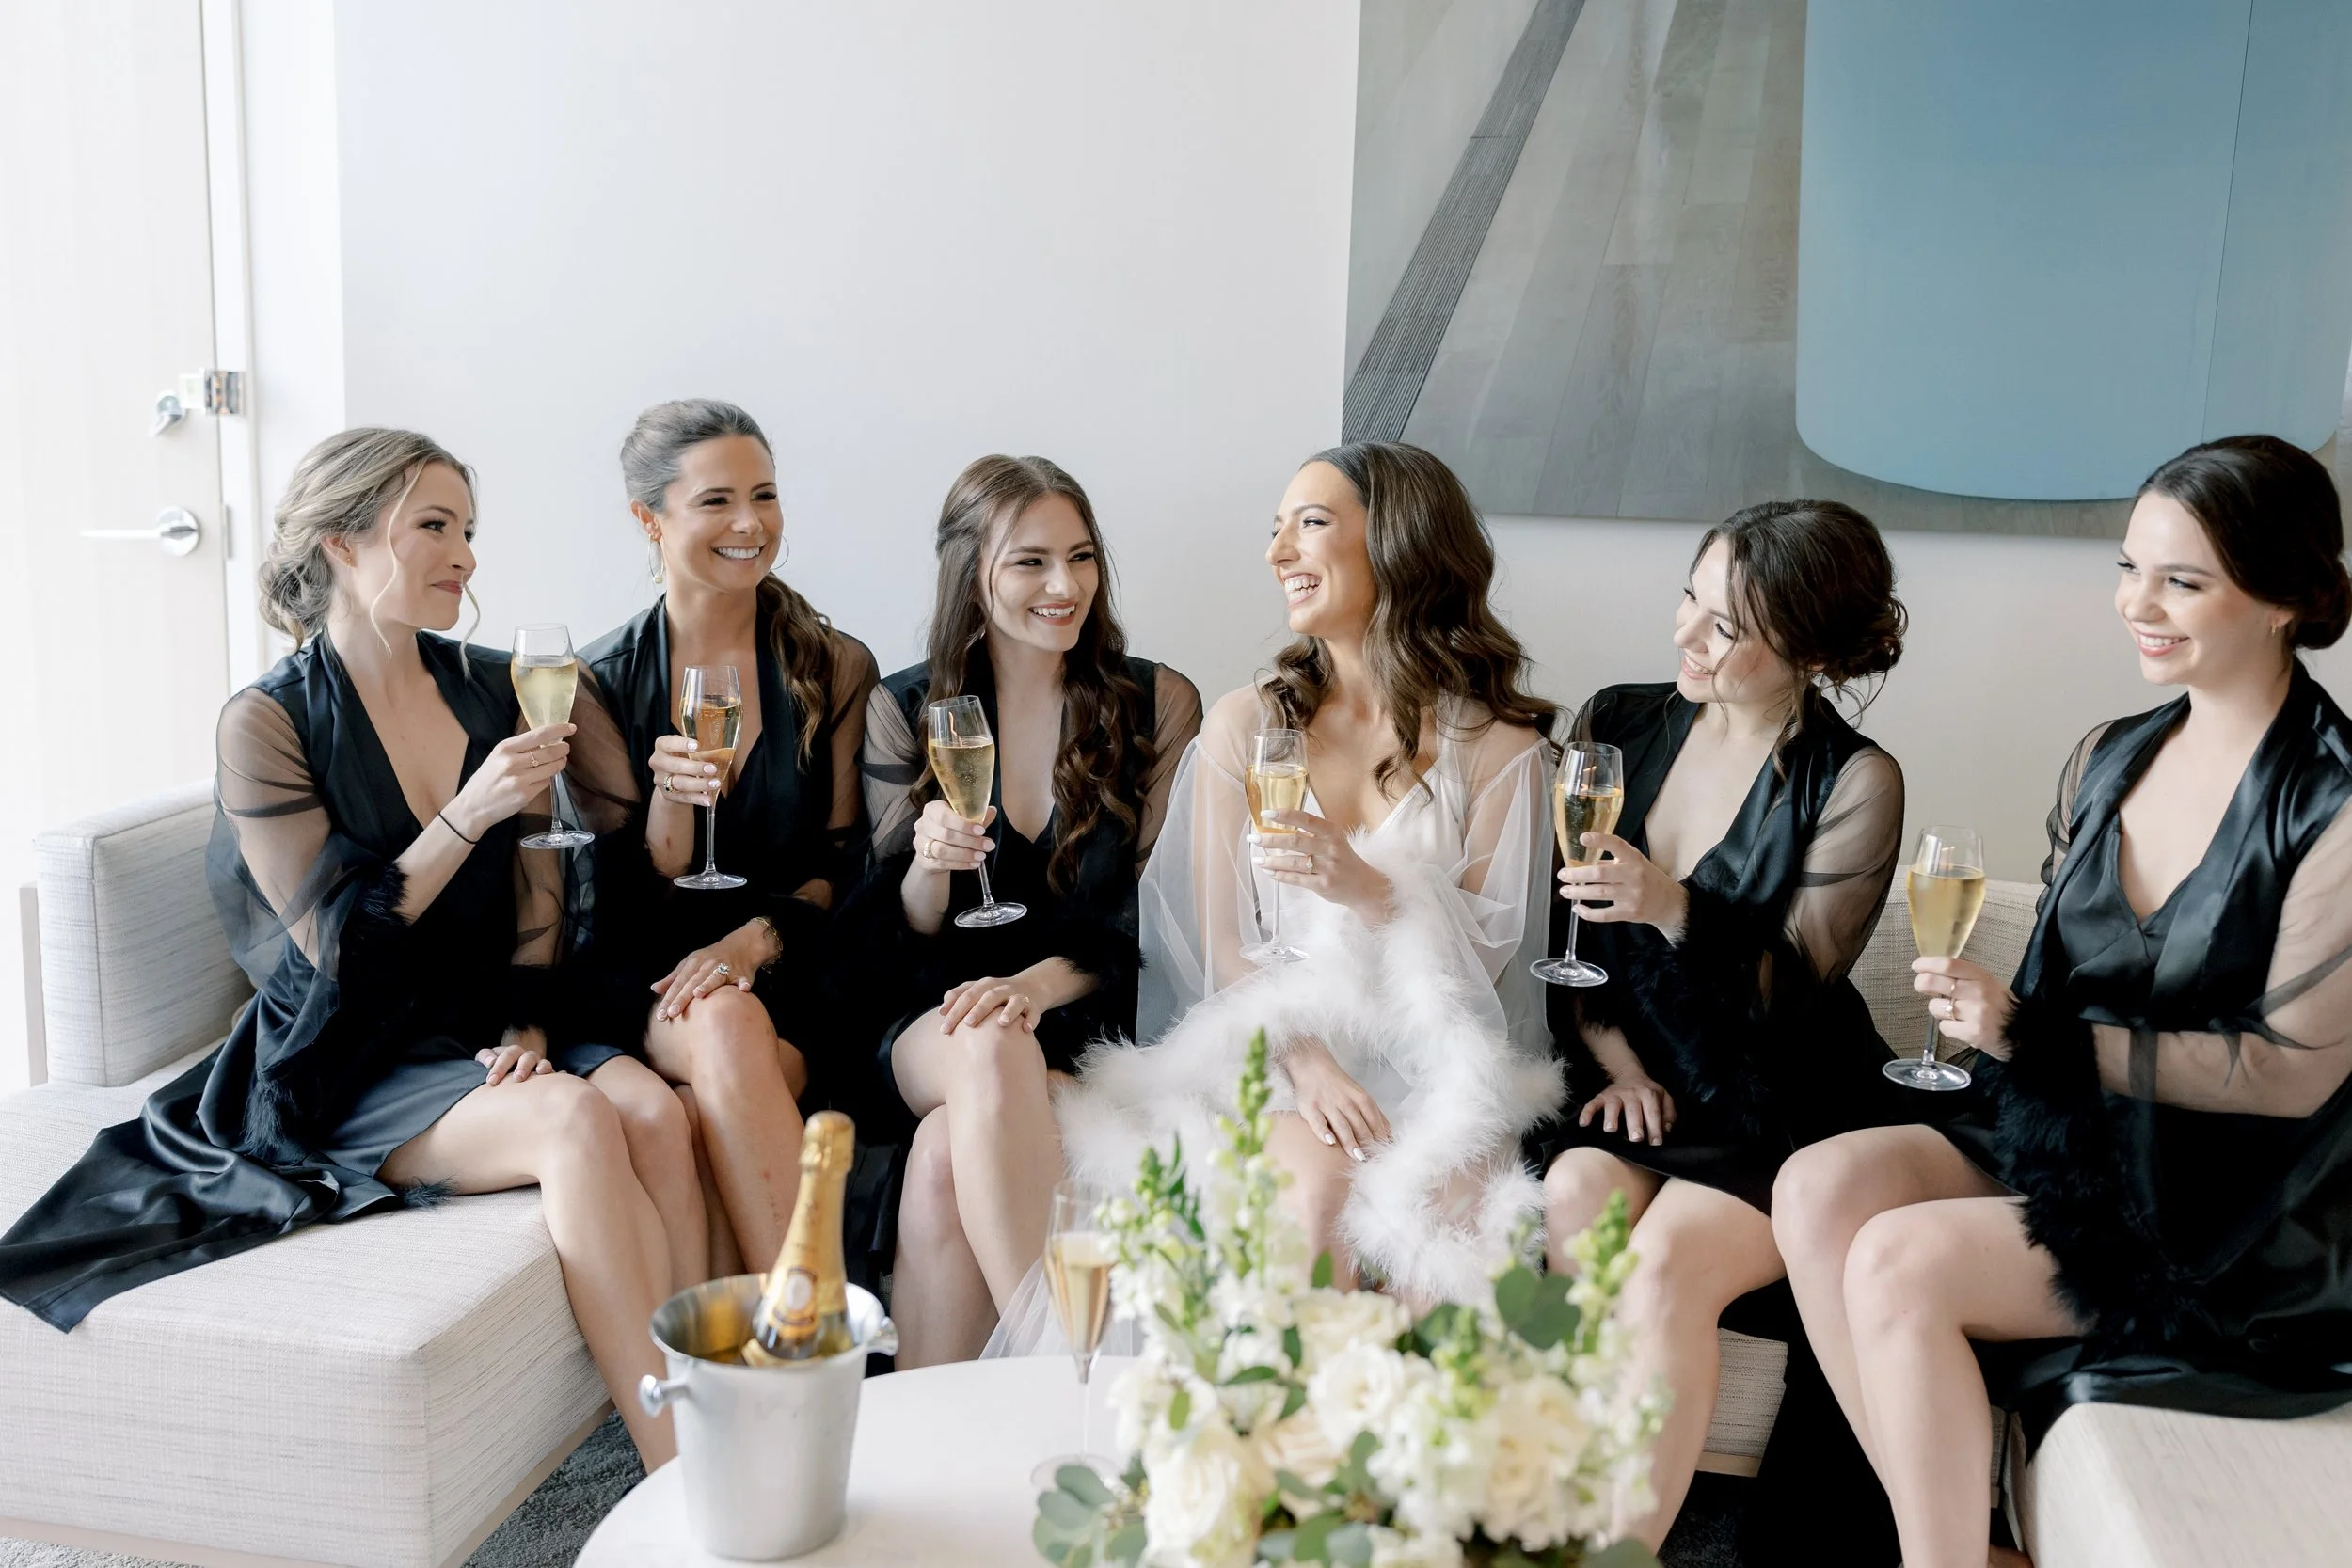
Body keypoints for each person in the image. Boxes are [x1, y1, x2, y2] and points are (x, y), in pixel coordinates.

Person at [0, 429, 693, 1465]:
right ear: (341, 540)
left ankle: (705, 1404)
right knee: (576, 1118)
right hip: (350, 1045)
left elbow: (540, 880)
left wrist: (527, 1025)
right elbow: (333, 944)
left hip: (480, 1013)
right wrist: (467, 810)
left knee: (655, 1110)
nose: (465, 555)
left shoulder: (493, 682)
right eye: (435, 526)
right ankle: (677, 1469)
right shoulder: (265, 722)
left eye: (468, 529)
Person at [1771, 435, 2352, 1568]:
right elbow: (2053, 978)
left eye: (2181, 580)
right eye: (2129, 567)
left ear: (2284, 596)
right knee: (1816, 1185)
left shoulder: (2331, 805)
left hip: (2222, 1205)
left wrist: (2033, 1034)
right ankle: (1957, 1541)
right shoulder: (2107, 756)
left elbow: (2288, 1070)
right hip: (2067, 1132)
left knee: (1898, 1260)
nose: (2138, 602)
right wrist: (1994, 1019)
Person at [1051, 440, 1559, 1304]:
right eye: (1275, 528)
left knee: (1446, 1241)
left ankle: (1402, 1398)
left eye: (1310, 523)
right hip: (1279, 1050)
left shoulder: (1498, 748)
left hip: (1433, 1065)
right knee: (1314, 1200)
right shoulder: (1244, 726)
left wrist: (1370, 888)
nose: (1277, 551)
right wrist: (1310, 1064)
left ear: (1396, 541)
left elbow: (1484, 971)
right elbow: (1222, 948)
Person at [1527, 499, 1908, 1548]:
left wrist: (1673, 906)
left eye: (1725, 626)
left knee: (1664, 1264)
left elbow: (1789, 996)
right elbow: (1568, 931)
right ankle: (1554, 1510)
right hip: (1638, 1080)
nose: (1686, 635)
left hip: (1773, 1105)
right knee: (1572, 1193)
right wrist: (1614, 1061)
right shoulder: (1619, 720)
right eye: (1689, 599)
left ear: (1811, 652)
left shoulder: (1855, 781)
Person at [841, 454, 1200, 1366]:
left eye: (1080, 557)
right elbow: (889, 947)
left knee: (939, 1161)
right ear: (973, 574)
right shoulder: (905, 707)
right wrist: (929, 868)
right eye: (1030, 562)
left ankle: (939, 1427)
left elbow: (1153, 916)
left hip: (1085, 1023)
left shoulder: (1155, 704)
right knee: (991, 1040)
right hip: (938, 1025)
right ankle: (1063, 1358)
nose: (1064, 585)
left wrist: (1035, 986)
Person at [585, 399, 878, 1280]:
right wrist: (670, 804)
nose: (750, 524)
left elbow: (845, 864)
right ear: (649, 519)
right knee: (718, 1017)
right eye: (716, 501)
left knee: (716, 1064)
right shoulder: (601, 682)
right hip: (653, 982)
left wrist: (755, 939)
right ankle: (819, 1323)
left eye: (765, 495)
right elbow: (623, 899)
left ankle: (768, 1333)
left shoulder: (835, 666)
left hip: (798, 967)